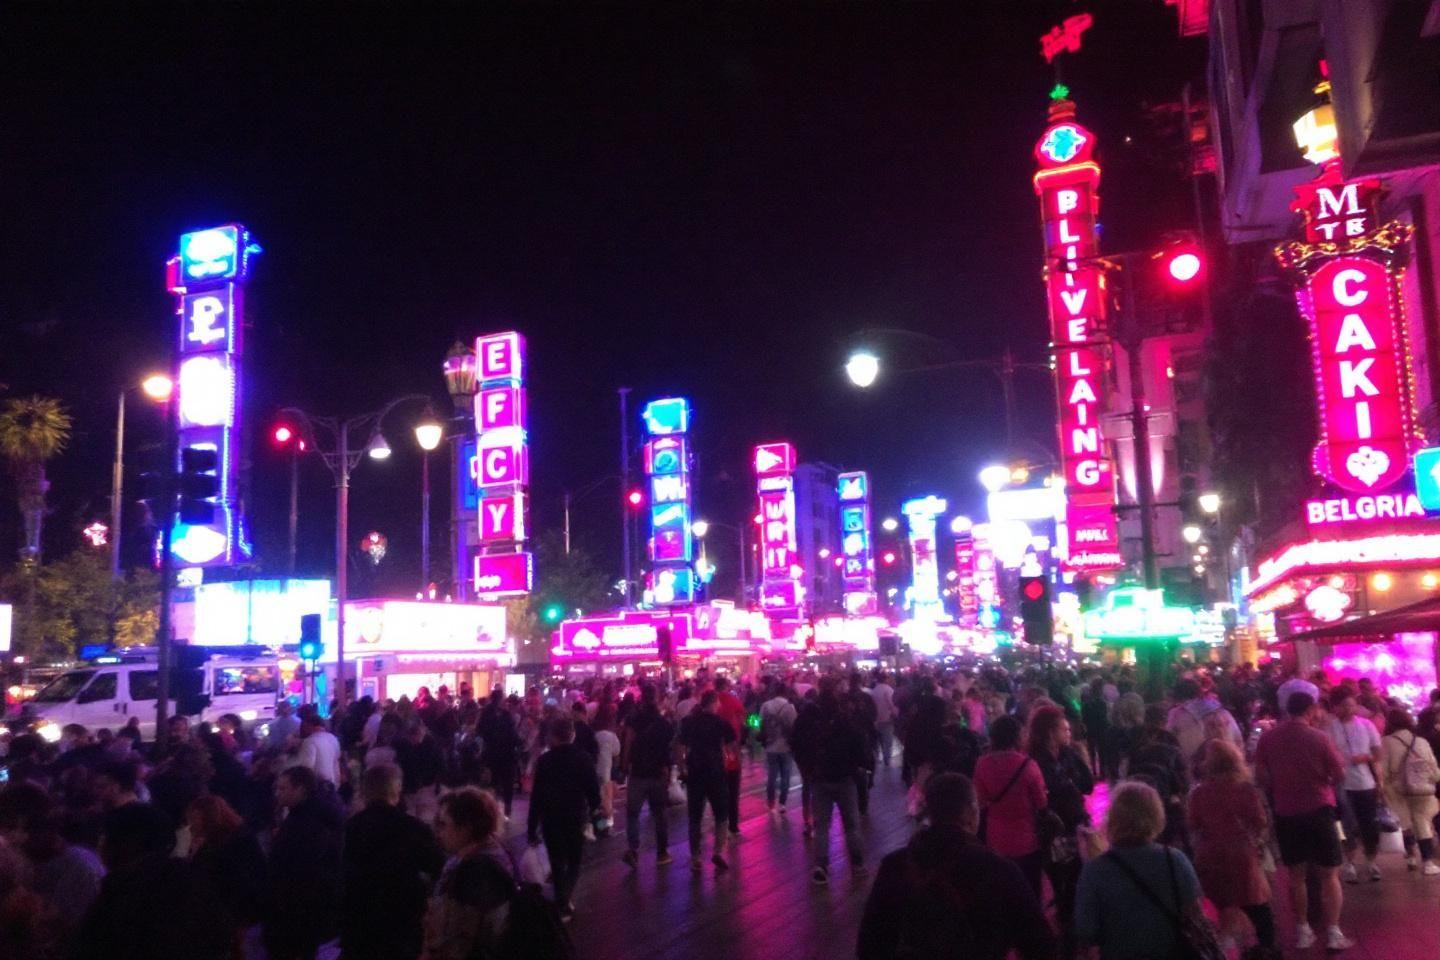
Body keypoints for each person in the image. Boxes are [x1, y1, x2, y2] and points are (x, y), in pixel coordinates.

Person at [857, 772, 1055, 960]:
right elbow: (1040, 945)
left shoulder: (894, 866)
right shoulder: (1000, 870)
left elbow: (869, 945)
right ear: (971, 812)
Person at [1253, 691, 1352, 952]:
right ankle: (1332, 932)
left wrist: (1279, 786)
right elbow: (1339, 772)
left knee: (1296, 876)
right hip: (1319, 808)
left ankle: (1303, 930)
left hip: (1286, 811)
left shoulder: (1269, 738)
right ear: (1310, 710)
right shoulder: (1320, 738)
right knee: (1329, 873)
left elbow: (1261, 775)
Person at [1076, 781, 1207, 960]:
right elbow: (1195, 914)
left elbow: (1086, 930)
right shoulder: (1175, 860)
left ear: (1113, 818)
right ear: (1156, 815)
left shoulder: (1095, 870)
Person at [342, 763, 445, 959]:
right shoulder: (412, 828)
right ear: (396, 789)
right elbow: (437, 866)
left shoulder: (351, 828)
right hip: (402, 917)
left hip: (359, 916)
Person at [1187, 739, 1277, 959]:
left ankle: (1223, 950)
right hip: (1242, 854)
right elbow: (1260, 821)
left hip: (1210, 854)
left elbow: (1193, 824)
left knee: (1219, 905)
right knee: (1258, 907)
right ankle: (1267, 950)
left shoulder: (1199, 793)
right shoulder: (1245, 790)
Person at [0, 781, 105, 959]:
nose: (3, 835)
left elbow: (62, 937)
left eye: (9, 827)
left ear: (35, 828)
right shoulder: (18, 859)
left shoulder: (76, 867)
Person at [1027, 703, 1093, 954]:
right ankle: (1067, 931)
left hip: (1075, 824)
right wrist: (1067, 784)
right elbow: (1045, 793)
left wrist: (1068, 778)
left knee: (1077, 876)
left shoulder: (1069, 754)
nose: (1069, 733)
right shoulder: (1035, 760)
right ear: (1050, 731)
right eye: (1063, 729)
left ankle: (1071, 929)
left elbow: (1087, 783)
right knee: (1058, 878)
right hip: (1052, 830)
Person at [425, 787, 518, 959]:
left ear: (466, 828)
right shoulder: (492, 852)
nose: (438, 833)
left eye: (444, 824)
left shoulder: (475, 873)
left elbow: (459, 941)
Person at [265, 765, 345, 960]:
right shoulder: (308, 813)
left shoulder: (308, 822)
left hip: (300, 905)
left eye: (283, 788)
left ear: (300, 789)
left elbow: (302, 865)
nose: (278, 793)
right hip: (307, 903)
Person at [527, 716, 600, 917]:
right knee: (575, 861)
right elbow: (593, 789)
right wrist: (595, 808)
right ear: (572, 735)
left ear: (552, 736)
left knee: (557, 861)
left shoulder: (544, 761)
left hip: (550, 817)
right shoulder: (583, 758)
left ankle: (562, 900)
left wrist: (531, 826)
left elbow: (537, 796)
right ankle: (563, 900)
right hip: (575, 815)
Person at [973, 714, 1048, 898]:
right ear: (1017, 737)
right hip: (1026, 837)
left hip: (996, 836)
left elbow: (980, 801)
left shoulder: (982, 764)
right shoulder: (1028, 765)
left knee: (1005, 890)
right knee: (1031, 889)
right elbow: (1041, 803)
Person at [803, 678, 870, 885]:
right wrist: (861, 765)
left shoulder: (809, 718)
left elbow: (798, 741)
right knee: (851, 824)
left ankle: (821, 865)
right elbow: (859, 743)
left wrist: (808, 767)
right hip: (844, 776)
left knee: (822, 825)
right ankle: (857, 865)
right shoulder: (845, 718)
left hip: (819, 776)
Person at [187, 794, 267, 958]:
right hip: (242, 912)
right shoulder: (239, 837)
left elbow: (220, 880)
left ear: (207, 818)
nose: (191, 825)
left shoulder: (222, 847)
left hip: (233, 914)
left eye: (194, 819)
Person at [1325, 688, 1383, 883]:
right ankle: (1349, 862)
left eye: (1351, 705)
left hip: (1365, 782)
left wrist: (1365, 757)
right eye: (1344, 706)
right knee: (1346, 825)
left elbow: (1378, 753)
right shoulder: (1330, 728)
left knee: (1369, 824)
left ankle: (1371, 861)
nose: (1349, 709)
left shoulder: (1366, 725)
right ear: (1335, 707)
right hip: (1341, 783)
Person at [678, 690, 736, 873]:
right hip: (715, 772)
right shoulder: (720, 723)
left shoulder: (689, 722)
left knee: (695, 816)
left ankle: (696, 856)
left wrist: (682, 768)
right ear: (713, 702)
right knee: (721, 813)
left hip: (695, 772)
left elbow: (679, 746)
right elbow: (731, 743)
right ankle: (718, 851)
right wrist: (728, 757)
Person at [1380, 707, 1440, 874]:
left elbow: (1383, 770)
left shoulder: (1386, 742)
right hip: (1422, 788)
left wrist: (1381, 787)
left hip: (1398, 789)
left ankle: (1412, 856)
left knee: (1406, 823)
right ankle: (1428, 862)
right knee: (1422, 822)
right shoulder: (1421, 741)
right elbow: (1433, 769)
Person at [622, 684, 675, 868]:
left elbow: (628, 742)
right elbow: (670, 749)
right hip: (658, 772)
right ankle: (662, 853)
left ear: (641, 699)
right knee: (659, 814)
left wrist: (624, 764)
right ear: (657, 699)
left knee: (632, 813)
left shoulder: (634, 719)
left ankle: (634, 850)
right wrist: (669, 770)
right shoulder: (664, 723)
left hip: (638, 771)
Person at [1166, 677, 1244, 767]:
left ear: (1178, 698)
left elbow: (1169, 741)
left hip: (1195, 771)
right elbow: (1239, 741)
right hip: (1229, 766)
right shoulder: (1222, 711)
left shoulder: (1176, 715)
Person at [713, 676, 747, 836]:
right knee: (733, 790)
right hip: (732, 750)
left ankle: (720, 823)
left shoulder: (711, 702)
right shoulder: (734, 700)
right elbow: (744, 720)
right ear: (726, 686)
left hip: (714, 752)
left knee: (718, 791)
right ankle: (733, 826)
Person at [478, 691, 521, 818]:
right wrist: (519, 743)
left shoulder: (486, 713)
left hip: (492, 754)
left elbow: (480, 731)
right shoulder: (505, 714)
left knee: (492, 783)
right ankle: (506, 809)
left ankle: (491, 809)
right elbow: (512, 735)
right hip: (506, 754)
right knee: (507, 783)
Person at [396, 716, 446, 823]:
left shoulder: (430, 746)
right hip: (417, 787)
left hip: (423, 786)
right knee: (420, 817)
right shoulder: (432, 745)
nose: (413, 739)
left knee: (421, 817)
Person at [759, 679, 798, 814]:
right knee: (785, 775)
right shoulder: (790, 707)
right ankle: (782, 803)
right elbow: (794, 726)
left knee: (771, 775)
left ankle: (770, 803)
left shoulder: (765, 706)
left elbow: (759, 724)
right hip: (786, 746)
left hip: (770, 745)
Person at [293, 712, 342, 787]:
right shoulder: (333, 738)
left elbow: (306, 768)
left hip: (318, 785)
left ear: (308, 726)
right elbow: (336, 762)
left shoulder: (310, 742)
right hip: (332, 783)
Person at [592, 711, 621, 833]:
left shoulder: (594, 735)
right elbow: (616, 752)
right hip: (606, 772)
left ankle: (595, 824)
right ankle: (603, 826)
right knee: (606, 800)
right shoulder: (611, 736)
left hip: (593, 771)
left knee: (595, 799)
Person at [871, 670, 897, 767]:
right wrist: (895, 714)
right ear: (885, 679)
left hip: (876, 719)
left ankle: (879, 758)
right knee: (887, 741)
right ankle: (887, 759)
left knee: (880, 740)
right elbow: (891, 704)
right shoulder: (888, 689)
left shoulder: (874, 690)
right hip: (887, 718)